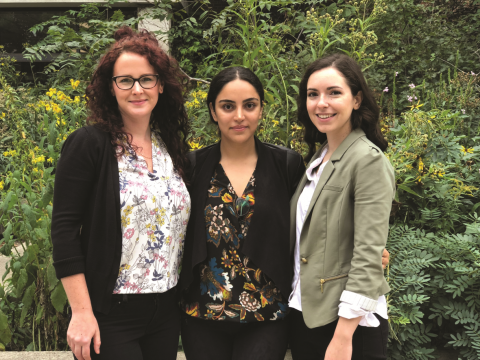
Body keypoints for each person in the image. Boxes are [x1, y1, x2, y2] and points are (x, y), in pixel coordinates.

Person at [51, 27, 190, 360]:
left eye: (146, 79)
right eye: (125, 80)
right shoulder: (90, 144)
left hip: (165, 310)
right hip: (110, 313)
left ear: (160, 85)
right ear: (110, 88)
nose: (137, 89)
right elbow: (64, 231)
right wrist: (82, 313)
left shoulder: (170, 145)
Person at [178, 66, 306, 360]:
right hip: (202, 313)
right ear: (213, 111)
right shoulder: (192, 166)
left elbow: (312, 224)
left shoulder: (287, 165)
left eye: (249, 105)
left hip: (267, 313)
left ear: (261, 109)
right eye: (227, 106)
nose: (239, 116)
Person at [288, 53, 395, 360]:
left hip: (348, 323)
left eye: (334, 92)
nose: (321, 103)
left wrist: (343, 335)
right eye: (313, 94)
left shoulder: (367, 160)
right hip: (306, 311)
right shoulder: (320, 158)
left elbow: (368, 253)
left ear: (357, 99)